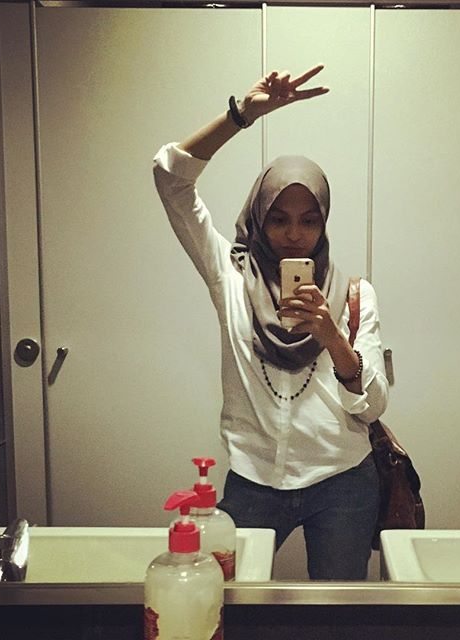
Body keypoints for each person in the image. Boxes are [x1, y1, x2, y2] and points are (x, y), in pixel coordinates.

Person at [153, 65, 389, 580]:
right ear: (259, 218)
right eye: (278, 218)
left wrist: (332, 338)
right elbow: (170, 178)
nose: (294, 235)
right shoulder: (230, 276)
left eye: (309, 220)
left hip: (342, 479)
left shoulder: (354, 296)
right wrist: (242, 115)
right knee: (230, 603)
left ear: (324, 223)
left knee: (337, 613)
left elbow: (372, 406)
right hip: (254, 477)